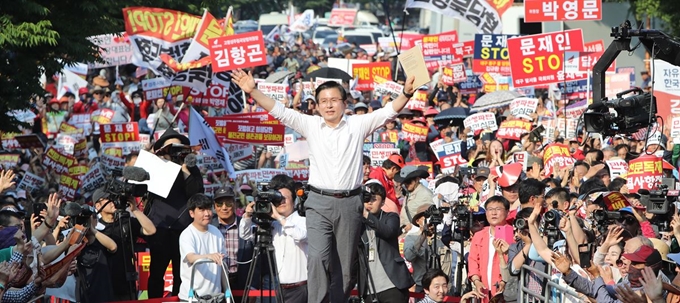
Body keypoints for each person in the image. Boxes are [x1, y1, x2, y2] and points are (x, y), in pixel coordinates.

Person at [231, 68, 416, 302]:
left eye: (334, 100)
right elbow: (279, 111)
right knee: (317, 257)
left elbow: (388, 111)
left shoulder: (358, 125)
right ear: (317, 106)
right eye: (323, 101)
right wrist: (253, 91)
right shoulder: (311, 125)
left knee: (346, 268)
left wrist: (406, 93)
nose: (329, 106)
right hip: (318, 203)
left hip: (350, 203)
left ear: (344, 102)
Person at [146, 129, 205, 298]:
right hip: (160, 227)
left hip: (183, 229)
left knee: (181, 274)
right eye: (170, 146)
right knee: (156, 274)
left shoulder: (191, 170)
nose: (174, 149)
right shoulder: (156, 167)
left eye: (177, 146)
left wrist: (185, 166)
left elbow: (197, 194)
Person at [240, 174, 308, 302]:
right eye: (277, 199)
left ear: (294, 200)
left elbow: (300, 236)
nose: (281, 202)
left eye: (285, 198)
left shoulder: (302, 221)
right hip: (279, 288)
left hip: (301, 288)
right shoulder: (273, 225)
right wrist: (248, 216)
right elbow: (245, 234)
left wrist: (278, 217)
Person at [92, 187, 156, 301]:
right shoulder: (96, 229)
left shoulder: (126, 221)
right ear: (98, 206)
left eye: (114, 198)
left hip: (126, 283)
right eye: (108, 199)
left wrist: (135, 210)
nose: (113, 202)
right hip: (104, 282)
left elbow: (151, 230)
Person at [358, 182, 414, 302]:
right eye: (366, 199)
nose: (369, 202)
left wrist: (366, 214)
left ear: (383, 202)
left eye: (373, 199)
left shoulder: (390, 217)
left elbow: (389, 232)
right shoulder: (358, 223)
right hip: (369, 288)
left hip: (392, 285)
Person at [179, 194, 227, 301]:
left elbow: (222, 264)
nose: (207, 214)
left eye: (209, 209)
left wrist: (226, 290)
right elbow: (191, 257)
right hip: (192, 298)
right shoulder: (187, 234)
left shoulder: (216, 232)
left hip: (216, 297)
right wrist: (209, 256)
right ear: (192, 213)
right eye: (201, 210)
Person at [468, 196, 514, 303]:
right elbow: (473, 260)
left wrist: (504, 281)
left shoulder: (513, 235)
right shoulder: (479, 235)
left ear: (507, 212)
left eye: (498, 209)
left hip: (506, 291)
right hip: (484, 291)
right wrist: (476, 281)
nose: (494, 213)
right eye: (490, 209)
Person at [210, 186, 254, 292]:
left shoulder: (247, 225)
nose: (224, 208)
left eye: (228, 203)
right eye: (220, 204)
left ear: (234, 204)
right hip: (215, 282)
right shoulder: (209, 227)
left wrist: (253, 287)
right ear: (214, 207)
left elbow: (257, 259)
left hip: (242, 284)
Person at [396, 165, 434, 230]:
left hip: (418, 235)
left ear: (417, 179)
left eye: (408, 181)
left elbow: (431, 219)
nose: (406, 184)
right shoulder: (409, 193)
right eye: (404, 182)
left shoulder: (425, 194)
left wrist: (413, 227)